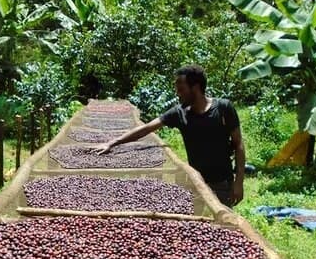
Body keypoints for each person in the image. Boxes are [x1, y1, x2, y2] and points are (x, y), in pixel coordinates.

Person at [96, 65, 245, 207]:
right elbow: (146, 129)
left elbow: (238, 145)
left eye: (181, 89)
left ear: (196, 87)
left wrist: (239, 182)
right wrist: (113, 143)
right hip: (195, 180)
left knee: (222, 225)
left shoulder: (223, 108)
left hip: (222, 182)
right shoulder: (179, 113)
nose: (178, 94)